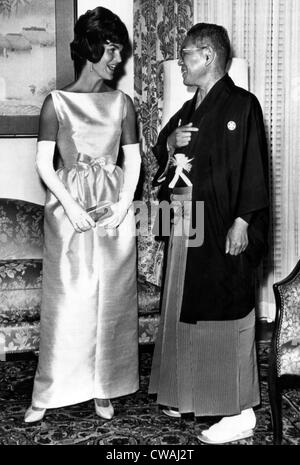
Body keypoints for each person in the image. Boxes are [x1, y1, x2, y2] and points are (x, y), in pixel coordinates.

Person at [149, 23, 269, 444]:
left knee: (223, 311)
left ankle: (239, 413)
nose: (180, 63)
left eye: (185, 55)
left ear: (208, 56)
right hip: (185, 223)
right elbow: (164, 156)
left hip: (222, 225)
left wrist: (244, 220)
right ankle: (190, 393)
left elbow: (253, 166)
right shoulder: (187, 109)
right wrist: (169, 143)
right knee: (184, 305)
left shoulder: (242, 105)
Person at [24, 7, 141, 423]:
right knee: (69, 299)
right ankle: (48, 391)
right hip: (68, 209)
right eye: (111, 50)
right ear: (90, 49)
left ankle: (103, 387)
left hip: (112, 213)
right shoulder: (55, 103)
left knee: (111, 298)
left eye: (120, 51)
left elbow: (134, 161)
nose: (117, 60)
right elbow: (43, 162)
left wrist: (123, 208)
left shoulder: (123, 103)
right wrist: (71, 206)